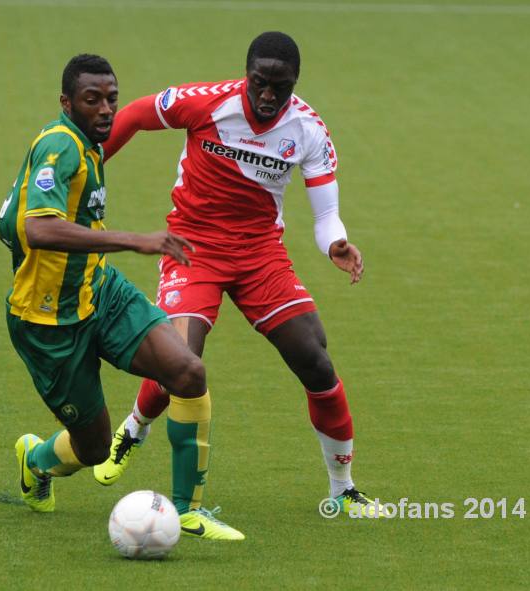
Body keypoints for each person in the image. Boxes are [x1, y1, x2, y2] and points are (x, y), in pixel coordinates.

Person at [93, 32, 387, 520]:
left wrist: (335, 242)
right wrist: (92, 162)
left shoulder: (309, 130)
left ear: (295, 83)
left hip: (259, 255)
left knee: (315, 361)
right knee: (181, 362)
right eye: (260, 83)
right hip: (194, 248)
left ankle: (344, 490)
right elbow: (138, 115)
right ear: (246, 74)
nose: (269, 96)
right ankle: (136, 427)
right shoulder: (205, 103)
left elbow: (325, 214)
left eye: (281, 86)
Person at [0, 54, 245, 538]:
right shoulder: (60, 146)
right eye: (93, 100)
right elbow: (38, 228)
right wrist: (135, 239)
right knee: (91, 450)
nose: (107, 109)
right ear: (67, 102)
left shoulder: (89, 145)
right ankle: (37, 460)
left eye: (112, 98)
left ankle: (188, 512)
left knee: (187, 371)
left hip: (100, 291)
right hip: (48, 323)